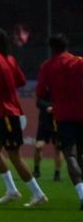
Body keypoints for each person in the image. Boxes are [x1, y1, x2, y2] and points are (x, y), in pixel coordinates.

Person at [0, 26, 47, 207]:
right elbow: (21, 81)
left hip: (6, 113)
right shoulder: (10, 59)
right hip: (7, 113)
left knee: (15, 156)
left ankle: (37, 193)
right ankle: (12, 190)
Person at [35, 34, 83, 209]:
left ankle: (82, 194)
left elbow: (40, 93)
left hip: (63, 116)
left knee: (70, 155)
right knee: (82, 155)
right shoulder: (78, 61)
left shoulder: (47, 67)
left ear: (51, 48)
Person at [33, 38, 66, 182]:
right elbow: (39, 101)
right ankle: (36, 169)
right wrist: (47, 107)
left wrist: (58, 108)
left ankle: (57, 174)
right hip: (45, 120)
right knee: (39, 146)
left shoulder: (64, 89)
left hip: (59, 119)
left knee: (58, 148)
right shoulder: (44, 86)